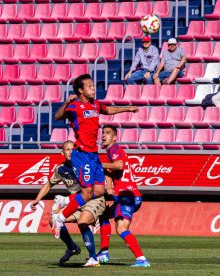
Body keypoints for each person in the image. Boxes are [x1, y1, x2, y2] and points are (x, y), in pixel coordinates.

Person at [52, 74, 138, 249]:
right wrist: (67, 103)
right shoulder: (75, 106)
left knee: (99, 191)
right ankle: (60, 219)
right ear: (80, 90)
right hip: (82, 154)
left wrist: (128, 108)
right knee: (87, 191)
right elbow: (58, 117)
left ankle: (66, 201)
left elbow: (109, 110)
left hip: (93, 155)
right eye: (90, 86)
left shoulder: (95, 105)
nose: (93, 88)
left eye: (93, 85)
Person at [31, 141, 106, 267]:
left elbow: (98, 181)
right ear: (62, 153)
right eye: (67, 149)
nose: (71, 152)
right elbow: (49, 184)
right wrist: (37, 199)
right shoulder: (61, 169)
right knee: (53, 219)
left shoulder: (84, 164)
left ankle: (93, 258)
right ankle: (72, 248)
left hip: (93, 199)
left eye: (73, 149)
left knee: (82, 222)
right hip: (76, 202)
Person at [96, 125, 150, 268]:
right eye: (102, 133)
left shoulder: (115, 150)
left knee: (121, 228)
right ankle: (103, 252)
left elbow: (119, 165)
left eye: (107, 133)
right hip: (126, 196)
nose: (103, 135)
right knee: (104, 215)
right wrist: (109, 186)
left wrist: (97, 164)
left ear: (114, 137)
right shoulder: (109, 153)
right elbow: (109, 171)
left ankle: (141, 259)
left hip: (128, 195)